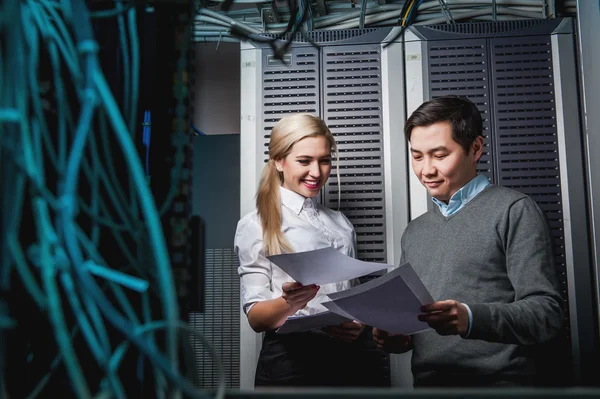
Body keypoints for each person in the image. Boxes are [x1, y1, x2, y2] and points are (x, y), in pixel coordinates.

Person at [373, 96, 564, 387]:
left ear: (475, 149)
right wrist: (398, 337)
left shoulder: (514, 210)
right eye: (417, 155)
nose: (426, 170)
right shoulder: (415, 231)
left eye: (439, 155)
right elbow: (418, 328)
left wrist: (471, 317)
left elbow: (546, 314)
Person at [234, 113, 386, 387]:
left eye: (324, 160)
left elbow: (351, 291)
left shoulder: (341, 223)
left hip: (350, 361)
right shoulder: (255, 224)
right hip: (290, 363)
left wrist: (357, 324)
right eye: (304, 161)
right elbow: (256, 318)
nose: (317, 172)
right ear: (279, 161)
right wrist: (290, 302)